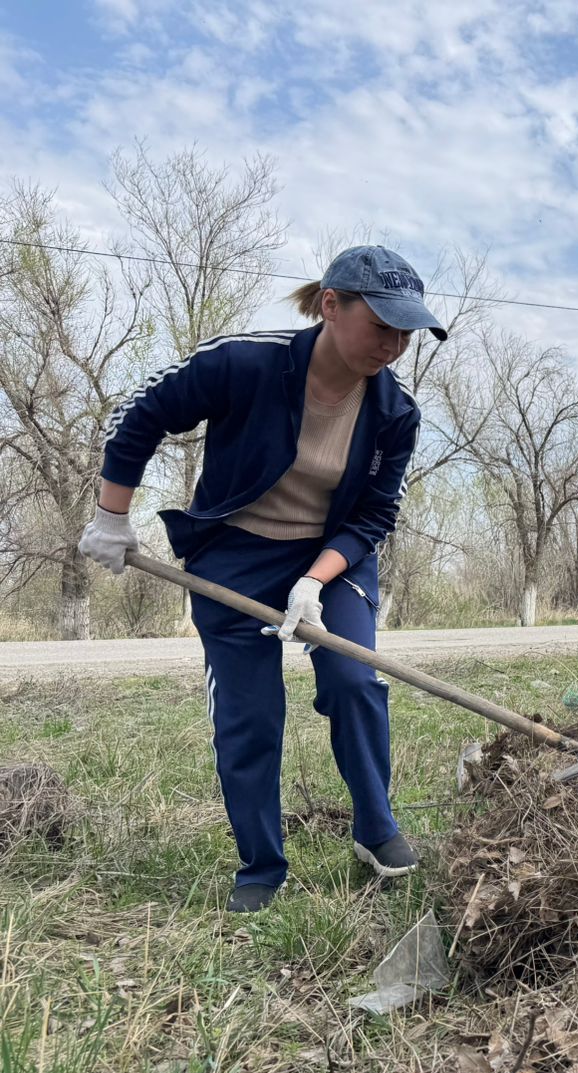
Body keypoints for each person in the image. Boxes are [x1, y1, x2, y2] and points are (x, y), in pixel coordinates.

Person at [78, 246, 443, 913]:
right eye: (382, 326)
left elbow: (374, 515)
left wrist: (313, 582)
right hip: (235, 554)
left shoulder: (396, 411)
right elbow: (140, 414)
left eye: (406, 333)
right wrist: (111, 517)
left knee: (354, 680)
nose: (393, 346)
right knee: (249, 715)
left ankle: (376, 829)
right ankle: (260, 866)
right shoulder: (245, 361)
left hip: (331, 557)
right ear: (331, 305)